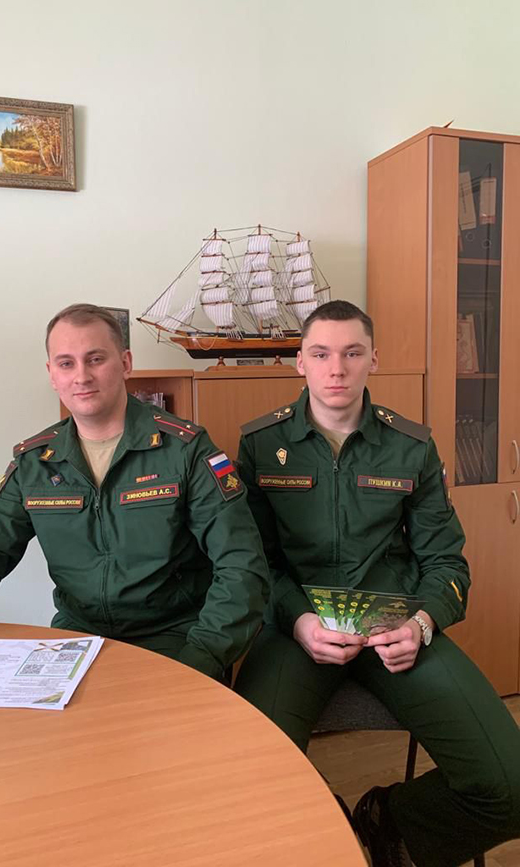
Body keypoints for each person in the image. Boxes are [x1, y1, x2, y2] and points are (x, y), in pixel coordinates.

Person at [234, 300, 520, 867]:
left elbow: (447, 563)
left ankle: (389, 824)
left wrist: (422, 623)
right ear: (300, 362)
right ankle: (330, 829)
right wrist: (297, 619)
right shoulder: (261, 444)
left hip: (394, 626)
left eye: (352, 353)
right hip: (297, 629)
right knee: (247, 777)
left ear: (373, 359)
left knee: (511, 785)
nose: (336, 369)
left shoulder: (410, 445)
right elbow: (252, 561)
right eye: (321, 354)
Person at [0, 304, 269, 682]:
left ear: (125, 363)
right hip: (78, 638)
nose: (82, 376)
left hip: (174, 638)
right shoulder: (35, 461)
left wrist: (201, 657)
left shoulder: (185, 450)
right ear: (52, 374)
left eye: (96, 359)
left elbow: (241, 564)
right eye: (66, 363)